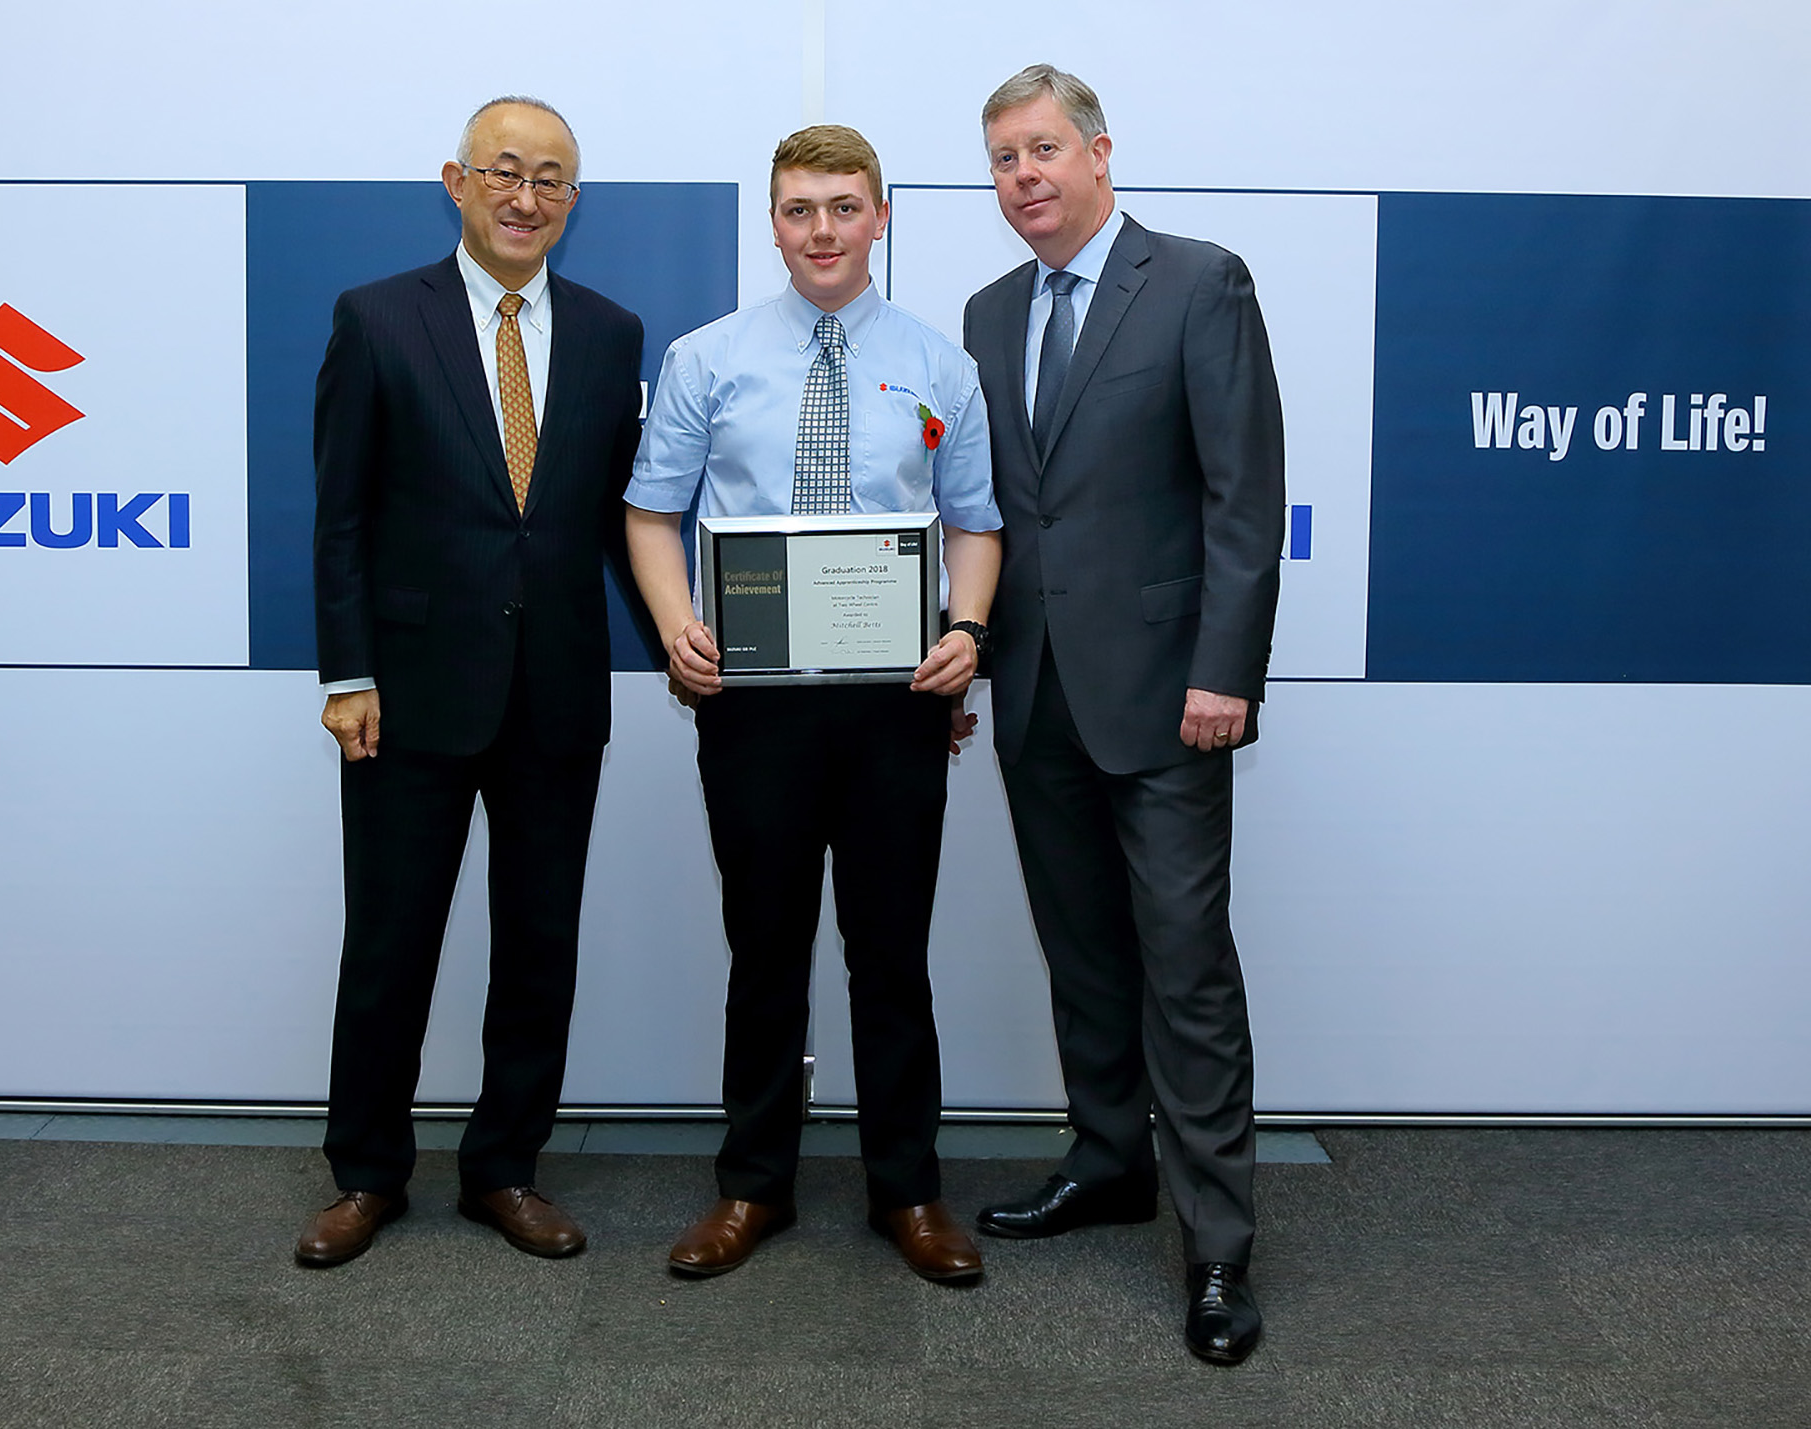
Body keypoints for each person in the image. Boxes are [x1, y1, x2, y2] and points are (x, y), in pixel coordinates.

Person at [626, 125, 1002, 1283]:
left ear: (880, 216)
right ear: (773, 222)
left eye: (844, 206)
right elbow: (651, 514)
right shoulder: (706, 359)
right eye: (799, 209)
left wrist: (965, 632)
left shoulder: (939, 365)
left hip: (895, 704)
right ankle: (752, 1186)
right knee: (764, 951)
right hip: (753, 704)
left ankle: (908, 1190)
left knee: (890, 956)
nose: (822, 230)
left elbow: (973, 525)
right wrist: (676, 630)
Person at [962, 65, 1285, 1363]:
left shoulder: (1200, 283)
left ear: (1100, 153)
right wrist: (964, 646)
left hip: (1167, 697)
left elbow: (1243, 497)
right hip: (1033, 689)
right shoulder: (988, 312)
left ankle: (1217, 1248)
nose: (1023, 176)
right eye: (1002, 158)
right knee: (1082, 952)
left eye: (1042, 149)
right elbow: (994, 508)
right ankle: (1107, 1160)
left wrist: (1226, 671)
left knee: (1184, 968)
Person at [297, 96, 647, 1268]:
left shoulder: (609, 332)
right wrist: (346, 671)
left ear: (572, 203)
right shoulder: (375, 318)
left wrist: (695, 641)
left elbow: (619, 519)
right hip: (405, 692)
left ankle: (505, 1167)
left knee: (538, 945)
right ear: (455, 182)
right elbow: (339, 516)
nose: (524, 197)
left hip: (556, 691)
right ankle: (366, 1173)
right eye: (504, 171)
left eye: (549, 179)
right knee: (389, 943)